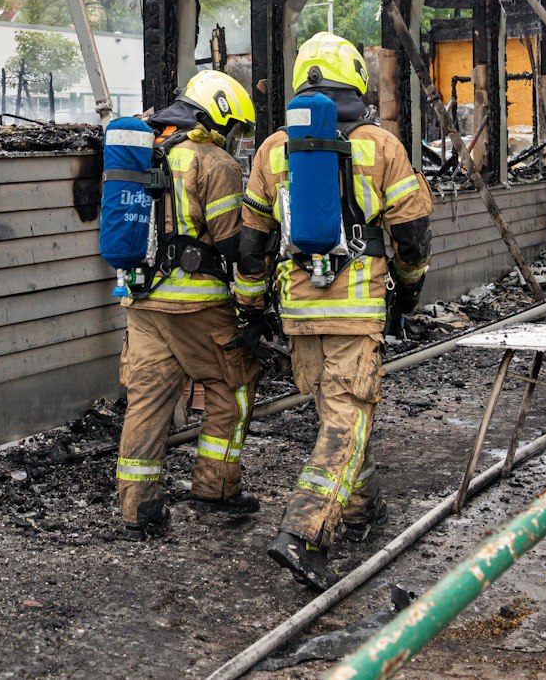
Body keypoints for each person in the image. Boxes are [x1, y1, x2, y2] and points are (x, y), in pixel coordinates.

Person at [234, 32, 434, 590]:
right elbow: (412, 235)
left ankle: (361, 508)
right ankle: (303, 533)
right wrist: (409, 291)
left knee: (337, 415)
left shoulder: (274, 149)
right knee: (349, 417)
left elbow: (252, 245)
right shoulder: (380, 144)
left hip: (298, 310)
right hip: (355, 308)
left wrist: (252, 309)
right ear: (355, 79)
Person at [112, 70, 261, 540]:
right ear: (216, 114)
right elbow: (233, 243)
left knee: (147, 401)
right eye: (233, 128)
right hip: (198, 305)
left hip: (141, 302)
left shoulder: (145, 151)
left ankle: (139, 509)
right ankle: (215, 487)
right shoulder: (213, 161)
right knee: (232, 386)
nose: (233, 139)